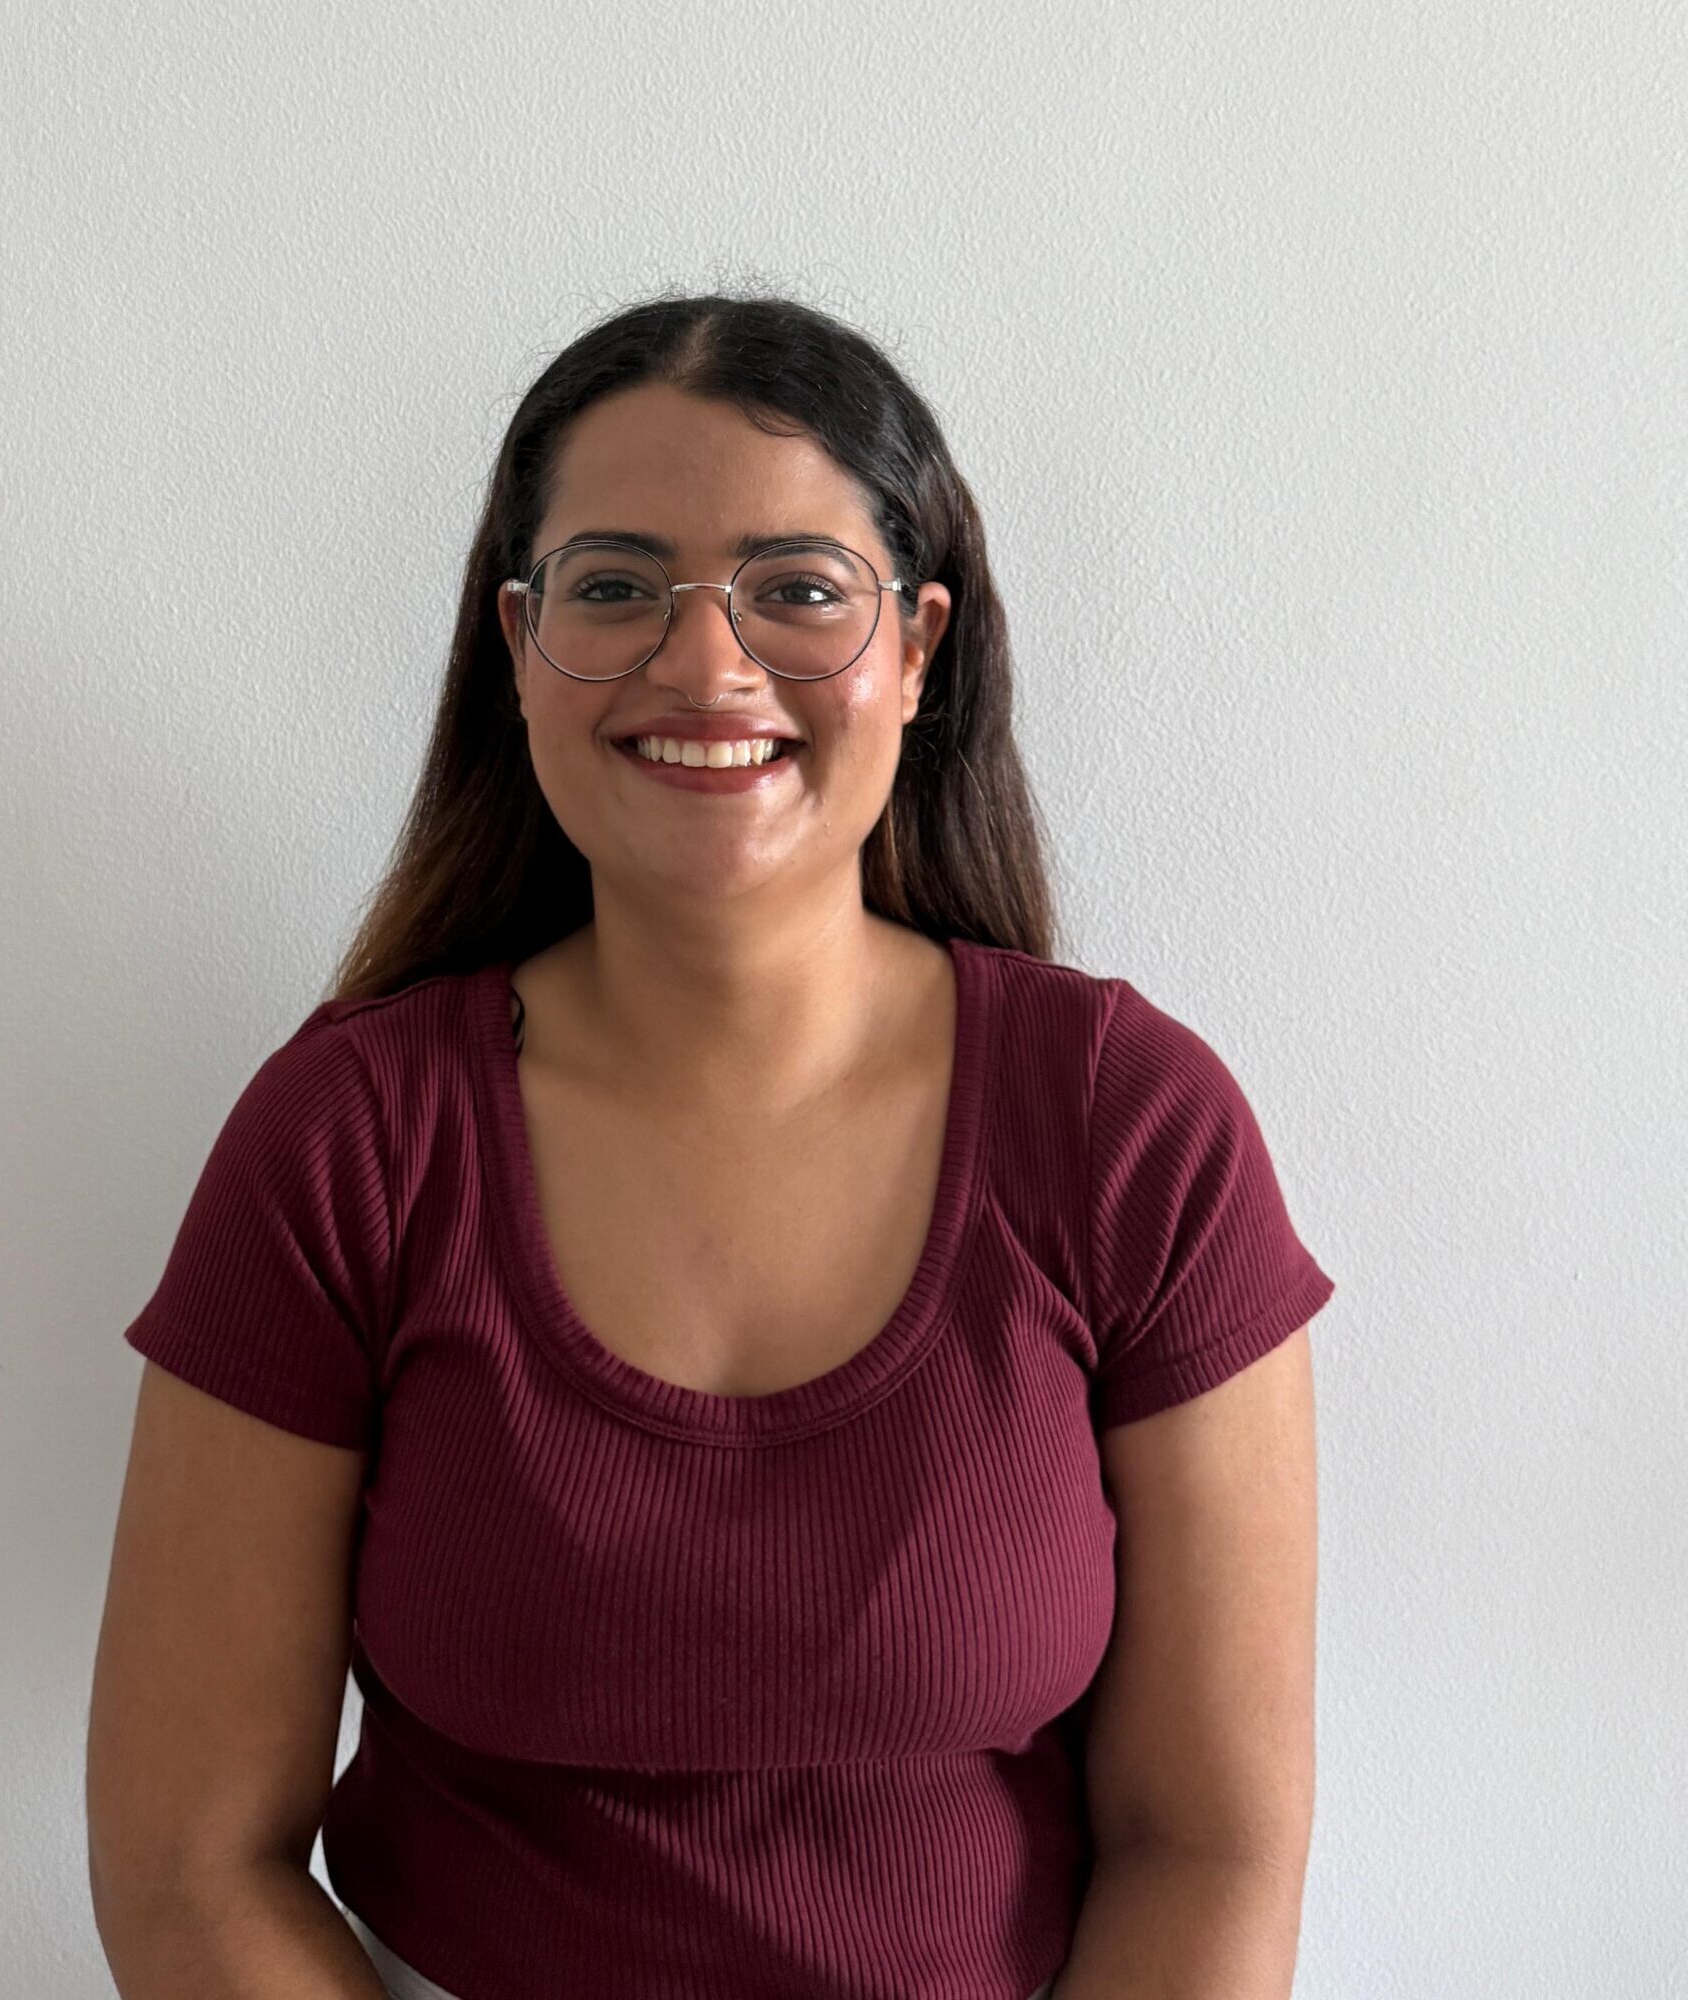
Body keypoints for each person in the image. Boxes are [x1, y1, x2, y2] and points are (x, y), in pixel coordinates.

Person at [86, 292, 1336, 2000]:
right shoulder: (346, 1145)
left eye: (797, 590)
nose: (704, 666)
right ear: (520, 642)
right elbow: (186, 1866)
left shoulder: (1133, 1133)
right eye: (615, 587)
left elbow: (1214, 1845)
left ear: (920, 646)